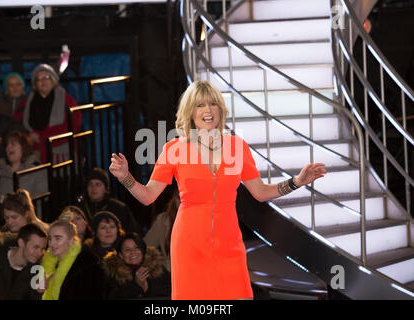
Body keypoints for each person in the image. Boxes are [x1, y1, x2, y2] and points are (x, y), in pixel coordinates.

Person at [109, 80, 327, 300]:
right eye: (200, 105)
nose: (208, 110)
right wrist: (126, 177)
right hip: (189, 243)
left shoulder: (237, 146)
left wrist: (297, 182)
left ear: (220, 110)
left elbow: (261, 192)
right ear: (190, 112)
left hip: (229, 242)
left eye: (213, 104)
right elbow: (148, 196)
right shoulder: (174, 148)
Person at [13, 63, 81, 164]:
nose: (43, 81)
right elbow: (16, 124)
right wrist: (28, 136)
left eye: (47, 77)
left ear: (53, 80)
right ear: (35, 84)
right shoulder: (27, 103)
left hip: (61, 155)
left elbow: (74, 125)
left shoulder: (66, 100)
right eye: (39, 79)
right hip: (34, 154)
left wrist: (42, 136)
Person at [40, 220, 106, 300]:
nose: (52, 243)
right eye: (50, 239)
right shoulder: (45, 264)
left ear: (71, 240)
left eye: (58, 238)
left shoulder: (87, 265)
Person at [103, 232, 171, 299]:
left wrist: (147, 287)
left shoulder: (157, 268)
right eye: (127, 250)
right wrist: (136, 285)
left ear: (143, 250)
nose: (133, 252)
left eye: (137, 248)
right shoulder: (113, 274)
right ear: (121, 255)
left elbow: (170, 291)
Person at [75, 168, 141, 234]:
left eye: (98, 184)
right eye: (90, 184)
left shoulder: (119, 208)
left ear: (106, 188)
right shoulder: (79, 209)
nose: (93, 188)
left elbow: (133, 233)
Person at [0, 130, 48, 198]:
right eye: (7, 145)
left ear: (23, 148)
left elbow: (42, 198)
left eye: (13, 144)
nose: (8, 147)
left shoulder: (36, 170)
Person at [144, 192, 179, 272]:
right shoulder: (163, 221)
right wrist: (161, 265)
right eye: (179, 198)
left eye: (187, 199)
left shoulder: (206, 221)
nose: (182, 202)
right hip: (170, 276)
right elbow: (145, 247)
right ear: (174, 200)